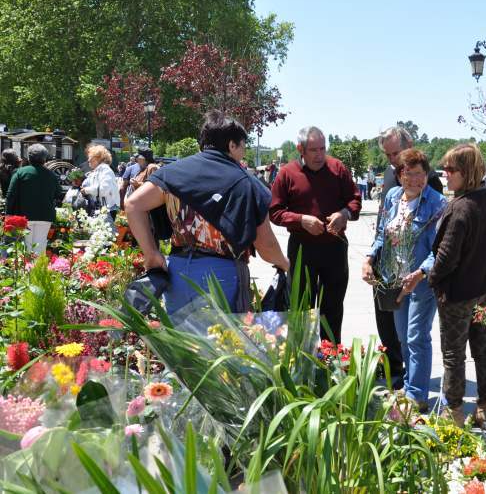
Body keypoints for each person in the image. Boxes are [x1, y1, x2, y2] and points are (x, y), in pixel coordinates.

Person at [126, 110, 289, 315]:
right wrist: (284, 263)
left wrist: (151, 253)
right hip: (222, 277)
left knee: (181, 344)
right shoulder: (247, 184)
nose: (243, 154)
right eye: (243, 147)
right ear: (231, 145)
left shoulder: (170, 173)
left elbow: (133, 205)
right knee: (221, 343)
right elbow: (266, 246)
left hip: (177, 272)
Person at [429, 143, 486, 429]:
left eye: (451, 169)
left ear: (467, 172)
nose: (445, 174)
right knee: (484, 348)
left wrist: (432, 280)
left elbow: (446, 256)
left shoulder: (461, 208)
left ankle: (454, 413)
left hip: (459, 294)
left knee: (454, 354)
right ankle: (484, 408)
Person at [363, 149, 447, 411]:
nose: (415, 180)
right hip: (394, 280)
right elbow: (381, 234)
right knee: (401, 337)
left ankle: (417, 395)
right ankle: (410, 386)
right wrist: (369, 258)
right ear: (399, 175)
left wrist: (421, 272)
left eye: (420, 174)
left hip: (420, 281)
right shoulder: (392, 197)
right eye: (409, 174)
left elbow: (439, 248)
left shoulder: (437, 203)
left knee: (416, 336)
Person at [269, 126, 362, 344]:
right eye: (314, 150)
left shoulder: (337, 168)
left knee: (332, 308)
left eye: (323, 148)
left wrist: (344, 214)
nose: (320, 155)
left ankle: (331, 361)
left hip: (334, 247)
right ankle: (303, 360)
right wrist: (301, 220)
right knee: (302, 309)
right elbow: (274, 212)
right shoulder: (287, 173)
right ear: (300, 148)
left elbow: (355, 200)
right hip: (302, 249)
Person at [4, 144, 60, 255]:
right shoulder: (51, 175)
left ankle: (27, 271)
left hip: (24, 216)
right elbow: (58, 194)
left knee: (26, 248)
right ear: (44, 159)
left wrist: (8, 214)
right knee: (40, 247)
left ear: (29, 157)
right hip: (45, 216)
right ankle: (38, 271)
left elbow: (10, 195)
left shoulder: (20, 172)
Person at [81, 145, 121, 224]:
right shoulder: (97, 171)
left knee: (105, 234)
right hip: (99, 208)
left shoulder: (105, 170)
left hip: (106, 209)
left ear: (98, 158)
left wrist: (86, 190)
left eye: (90, 157)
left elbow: (103, 190)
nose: (88, 160)